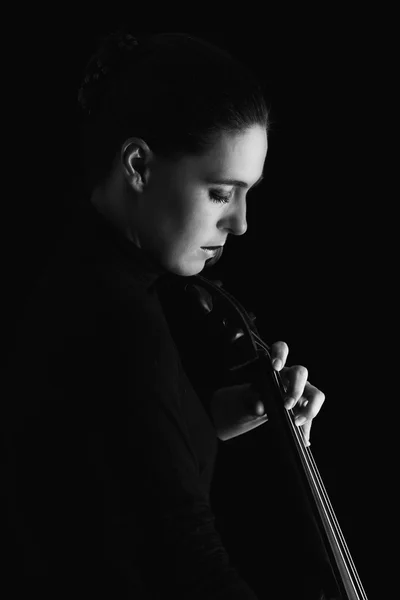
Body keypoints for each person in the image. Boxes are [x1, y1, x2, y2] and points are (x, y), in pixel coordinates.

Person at [3, 31, 326, 598]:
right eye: (220, 193)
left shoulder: (78, 272)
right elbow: (189, 564)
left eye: (246, 193)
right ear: (138, 165)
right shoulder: (118, 320)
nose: (241, 223)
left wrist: (232, 413)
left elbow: (111, 457)